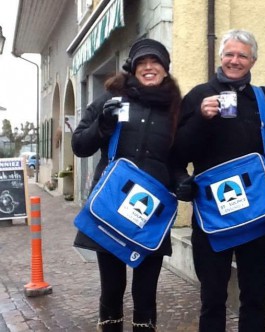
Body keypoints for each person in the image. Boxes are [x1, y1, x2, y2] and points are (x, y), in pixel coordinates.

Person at [172, 29, 265, 332]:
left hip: (256, 215)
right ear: (220, 57)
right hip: (212, 216)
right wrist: (201, 120)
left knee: (255, 297)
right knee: (212, 297)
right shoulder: (198, 95)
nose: (234, 60)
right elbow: (178, 152)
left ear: (253, 60)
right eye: (229, 54)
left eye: (242, 55)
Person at [71, 38, 182, 332]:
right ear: (132, 69)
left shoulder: (175, 109)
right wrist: (103, 125)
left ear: (165, 69)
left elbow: (178, 158)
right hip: (111, 208)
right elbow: (80, 145)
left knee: (145, 293)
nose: (148, 67)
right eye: (142, 62)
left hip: (151, 212)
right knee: (112, 289)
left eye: (155, 62)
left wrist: (182, 181)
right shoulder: (111, 99)